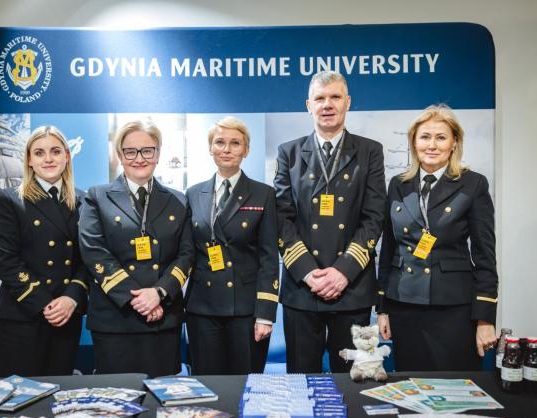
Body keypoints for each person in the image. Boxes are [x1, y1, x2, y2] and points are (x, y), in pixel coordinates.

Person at [274, 70, 386, 373]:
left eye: (335, 97)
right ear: (308, 105)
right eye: (320, 98)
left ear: (347, 102)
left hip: (352, 288)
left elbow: (374, 217)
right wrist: (309, 273)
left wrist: (342, 272)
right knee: (302, 380)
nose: (327, 104)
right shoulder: (289, 153)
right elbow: (282, 218)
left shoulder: (370, 151)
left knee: (353, 380)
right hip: (302, 288)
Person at [377, 104, 498, 371]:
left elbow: (485, 256)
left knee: (456, 387)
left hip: (453, 308)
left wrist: (485, 318)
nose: (432, 145)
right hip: (404, 305)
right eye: (425, 137)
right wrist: (382, 308)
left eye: (441, 137)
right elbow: (388, 250)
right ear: (414, 142)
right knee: (410, 386)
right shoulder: (398, 184)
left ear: (454, 143)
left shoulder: (473, 184)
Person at [79, 119, 193, 378]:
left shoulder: (178, 200)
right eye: (130, 151)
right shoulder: (97, 197)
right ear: (120, 155)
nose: (139, 158)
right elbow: (94, 251)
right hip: (115, 319)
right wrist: (138, 299)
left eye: (147, 150)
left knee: (162, 398)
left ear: (158, 154)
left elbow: (186, 255)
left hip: (163, 318)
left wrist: (158, 293)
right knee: (117, 396)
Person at [0, 125, 88, 377]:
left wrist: (71, 298)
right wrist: (46, 303)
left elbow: (87, 259)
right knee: (22, 395)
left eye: (55, 151)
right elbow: (5, 261)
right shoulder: (10, 199)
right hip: (24, 316)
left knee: (60, 392)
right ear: (29, 160)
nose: (48, 159)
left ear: (67, 156)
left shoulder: (83, 201)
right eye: (39, 153)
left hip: (66, 315)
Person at [185, 116, 279, 374]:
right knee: (207, 385)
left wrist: (265, 314)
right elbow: (187, 253)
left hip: (246, 310)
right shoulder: (193, 194)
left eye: (235, 143)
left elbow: (269, 259)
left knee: (245, 385)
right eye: (219, 142)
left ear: (246, 150)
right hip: (202, 309)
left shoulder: (263, 194)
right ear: (210, 148)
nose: (226, 149)